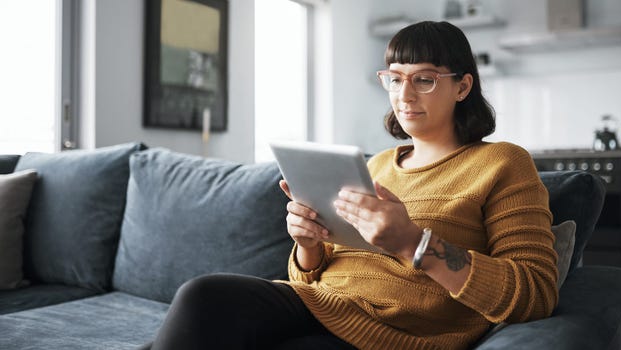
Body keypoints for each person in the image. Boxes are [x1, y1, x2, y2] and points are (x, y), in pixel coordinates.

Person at [144, 21, 558, 350]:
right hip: (322, 306)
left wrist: (413, 244)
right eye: (394, 79)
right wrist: (307, 245)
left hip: (396, 334)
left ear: (462, 87)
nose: (404, 94)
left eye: (424, 79)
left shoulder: (502, 163)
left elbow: (535, 295)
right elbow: (311, 279)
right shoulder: (373, 166)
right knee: (204, 297)